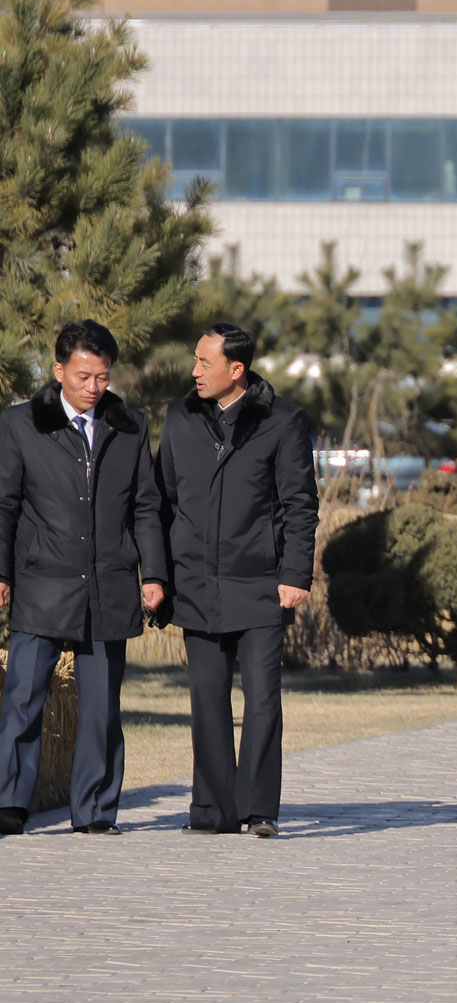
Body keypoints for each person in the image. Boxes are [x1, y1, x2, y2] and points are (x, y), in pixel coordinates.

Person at [0, 322, 169, 836]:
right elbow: (4, 504)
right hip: (42, 581)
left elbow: (146, 507)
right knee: (24, 697)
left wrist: (154, 574)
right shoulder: (20, 425)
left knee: (100, 706)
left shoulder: (130, 427)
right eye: (83, 375)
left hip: (109, 583)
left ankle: (94, 810)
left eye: (102, 376)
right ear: (59, 371)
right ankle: (9, 804)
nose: (94, 386)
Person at [156, 322, 318, 838]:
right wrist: (160, 573)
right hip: (196, 586)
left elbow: (299, 505)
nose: (195, 371)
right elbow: (163, 502)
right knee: (206, 698)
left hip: (261, 584)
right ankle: (213, 811)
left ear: (237, 369)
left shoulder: (283, 420)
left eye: (206, 363)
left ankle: (259, 809)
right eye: (195, 361)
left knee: (263, 699)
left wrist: (295, 574)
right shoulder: (180, 417)